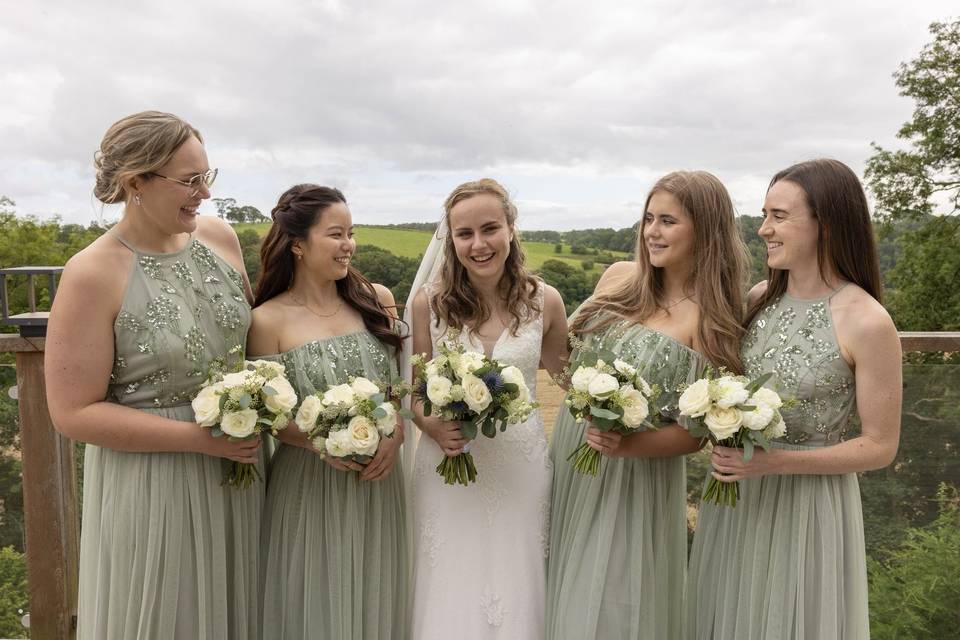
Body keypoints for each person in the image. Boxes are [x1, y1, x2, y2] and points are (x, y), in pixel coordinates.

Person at [45, 110, 261, 639]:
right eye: (190, 180)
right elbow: (72, 413)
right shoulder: (92, 272)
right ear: (135, 182)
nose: (204, 193)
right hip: (156, 485)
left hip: (244, 472)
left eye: (208, 176)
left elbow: (256, 344)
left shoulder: (220, 238)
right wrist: (197, 439)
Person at [686, 158, 902, 640]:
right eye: (765, 214)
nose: (763, 229)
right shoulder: (758, 298)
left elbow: (880, 446)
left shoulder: (867, 321)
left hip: (808, 509)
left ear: (825, 224)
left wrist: (774, 462)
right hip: (736, 499)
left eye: (779, 216)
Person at [546, 171, 749, 639]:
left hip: (631, 481)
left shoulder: (715, 318)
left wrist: (626, 445)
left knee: (605, 611)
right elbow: (565, 363)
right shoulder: (619, 278)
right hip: (570, 458)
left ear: (705, 229)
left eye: (668, 221)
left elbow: (699, 432)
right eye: (648, 219)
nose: (651, 232)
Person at [406, 178, 568, 639]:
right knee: (449, 580)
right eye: (464, 233)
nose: (478, 244)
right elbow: (415, 391)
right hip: (448, 465)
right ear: (450, 239)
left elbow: (570, 382)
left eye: (490, 228)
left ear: (511, 228)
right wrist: (432, 425)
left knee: (519, 581)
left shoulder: (545, 301)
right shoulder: (428, 305)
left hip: (521, 468)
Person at [248, 184, 408, 639]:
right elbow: (272, 417)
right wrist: (324, 441)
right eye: (336, 234)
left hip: (380, 482)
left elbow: (397, 389)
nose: (348, 245)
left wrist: (393, 439)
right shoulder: (266, 321)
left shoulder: (375, 299)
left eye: (351, 233)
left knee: (377, 599)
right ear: (298, 244)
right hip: (309, 483)